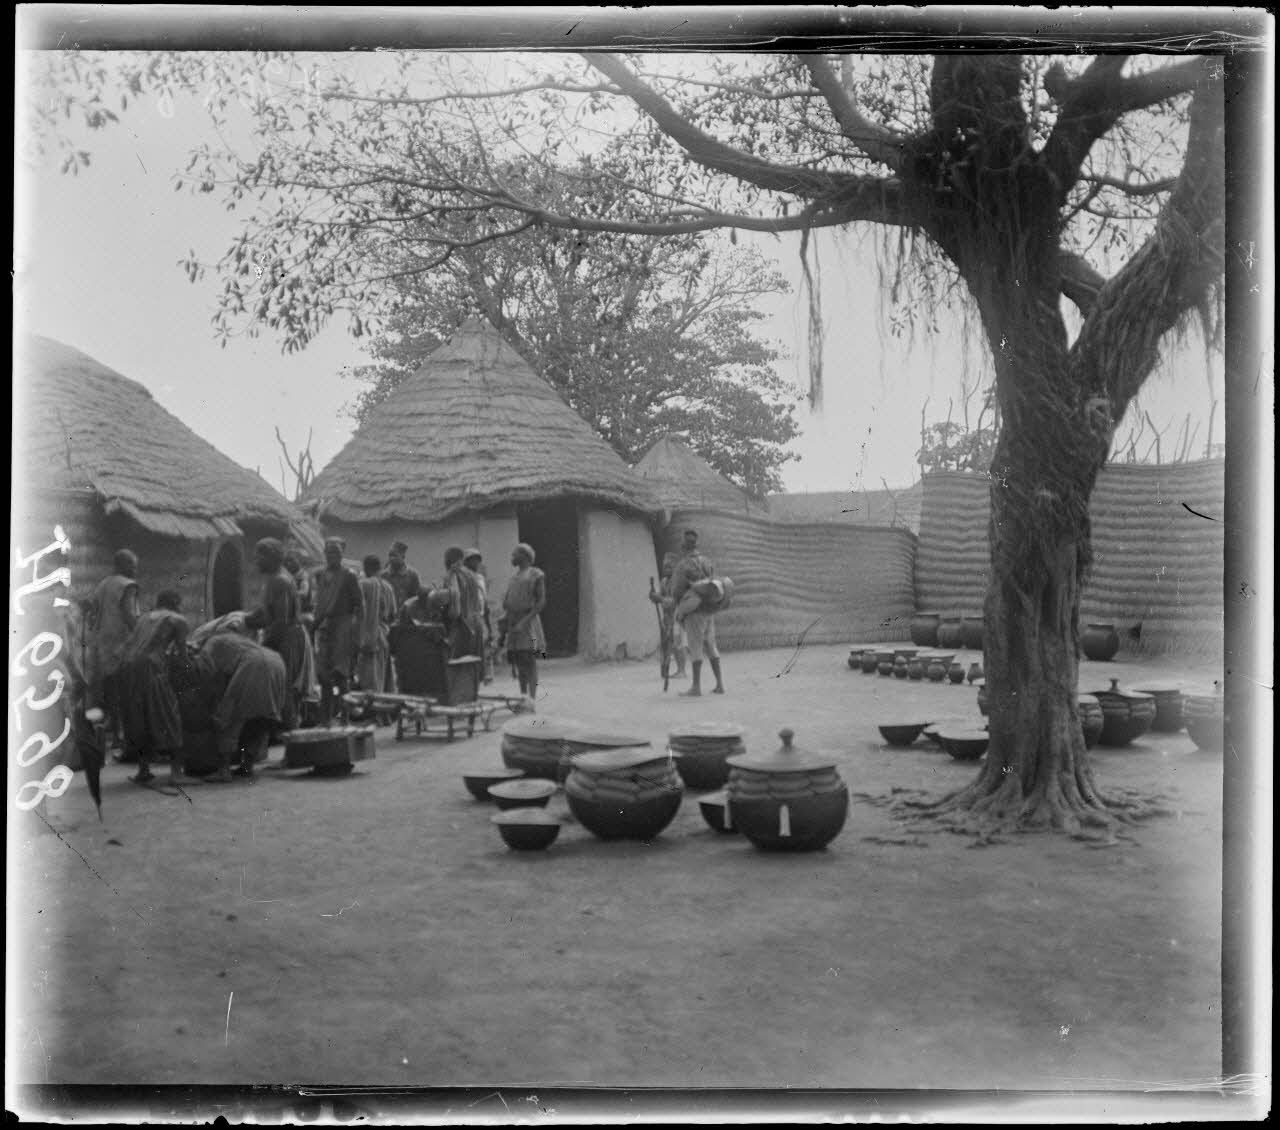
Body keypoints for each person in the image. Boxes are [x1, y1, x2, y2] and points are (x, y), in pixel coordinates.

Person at [194, 628, 288, 782]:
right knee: (262, 718)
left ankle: (223, 770)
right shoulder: (238, 640)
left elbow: (206, 674)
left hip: (253, 663)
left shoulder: (209, 644)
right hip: (276, 662)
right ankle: (247, 765)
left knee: (229, 715)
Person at [118, 590, 191, 787]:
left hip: (127, 667)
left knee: (139, 717)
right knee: (169, 715)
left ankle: (143, 770)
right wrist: (190, 670)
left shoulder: (143, 618)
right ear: (175, 603)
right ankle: (176, 773)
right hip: (151, 667)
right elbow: (183, 656)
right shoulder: (177, 619)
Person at [244, 538, 310, 733]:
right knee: (280, 686)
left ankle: (293, 739)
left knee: (284, 686)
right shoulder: (273, 579)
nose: (256, 561)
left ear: (272, 557)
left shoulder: (280, 580)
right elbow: (269, 613)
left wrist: (265, 645)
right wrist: (249, 619)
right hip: (283, 636)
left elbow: (282, 621)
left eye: (260, 556)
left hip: (287, 638)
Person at [87, 548, 141, 752]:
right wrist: (142, 634)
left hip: (104, 644)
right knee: (125, 691)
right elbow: (129, 614)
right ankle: (124, 737)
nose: (135, 570)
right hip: (122, 643)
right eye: (132, 566)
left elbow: (93, 613)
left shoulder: (103, 584)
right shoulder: (127, 585)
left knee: (111, 690)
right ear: (121, 565)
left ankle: (117, 735)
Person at [311, 537, 363, 722]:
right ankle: (326, 719)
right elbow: (319, 605)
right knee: (323, 675)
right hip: (325, 626)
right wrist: (313, 627)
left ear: (342, 555)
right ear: (324, 554)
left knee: (340, 675)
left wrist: (356, 633)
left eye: (336, 553)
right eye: (329, 552)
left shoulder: (349, 576)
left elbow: (359, 605)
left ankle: (346, 717)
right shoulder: (320, 575)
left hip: (343, 626)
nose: (332, 556)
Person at [671, 528, 725, 697]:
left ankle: (696, 687)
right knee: (711, 646)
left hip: (694, 611)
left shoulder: (683, 565)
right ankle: (719, 684)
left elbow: (677, 591)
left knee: (695, 648)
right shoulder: (707, 562)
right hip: (709, 609)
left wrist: (680, 605)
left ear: (684, 545)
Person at [501, 542, 547, 707]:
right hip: (515, 623)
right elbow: (508, 602)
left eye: (515, 554)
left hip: (528, 624)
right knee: (520, 662)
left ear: (525, 556)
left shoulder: (535, 574)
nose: (512, 557)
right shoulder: (514, 577)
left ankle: (531, 701)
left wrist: (524, 621)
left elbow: (541, 602)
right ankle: (523, 698)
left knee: (529, 662)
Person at [381, 541, 421, 692]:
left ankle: (405, 690)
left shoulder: (412, 575)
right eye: (390, 555)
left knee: (405, 660)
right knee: (386, 660)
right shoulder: (383, 575)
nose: (391, 558)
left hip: (405, 626)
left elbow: (417, 601)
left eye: (395, 555)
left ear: (403, 557)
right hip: (387, 625)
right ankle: (388, 691)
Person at [355, 554, 397, 694]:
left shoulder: (362, 585)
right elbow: (392, 615)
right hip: (383, 636)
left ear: (366, 568)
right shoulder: (388, 587)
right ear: (379, 568)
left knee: (368, 681)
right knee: (382, 677)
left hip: (364, 637)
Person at [648, 551, 689, 679]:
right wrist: (653, 596)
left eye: (669, 567)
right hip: (667, 617)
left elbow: (674, 601)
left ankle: (682, 670)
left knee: (678, 643)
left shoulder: (679, 583)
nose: (666, 569)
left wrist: (659, 599)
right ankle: (668, 669)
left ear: (675, 568)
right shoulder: (664, 581)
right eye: (664, 566)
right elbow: (661, 596)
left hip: (678, 615)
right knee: (668, 643)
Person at [442, 545, 485, 660]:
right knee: (475, 664)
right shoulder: (472, 575)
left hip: (462, 626)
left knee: (459, 664)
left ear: (448, 560)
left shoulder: (453, 574)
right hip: (476, 624)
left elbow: (455, 610)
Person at [463, 548, 496, 684]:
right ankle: (474, 678)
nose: (476, 562)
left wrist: (489, 624)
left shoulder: (481, 578)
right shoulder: (463, 578)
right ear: (466, 562)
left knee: (486, 644)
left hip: (480, 616)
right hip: (469, 617)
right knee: (472, 648)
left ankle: (487, 674)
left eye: (477, 560)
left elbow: (484, 600)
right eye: (472, 560)